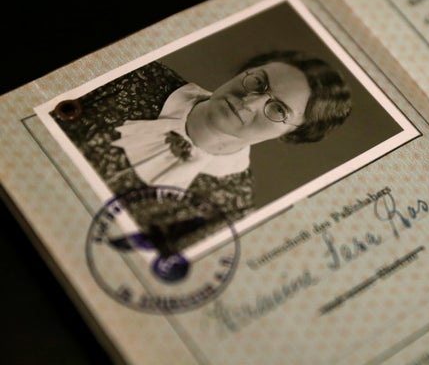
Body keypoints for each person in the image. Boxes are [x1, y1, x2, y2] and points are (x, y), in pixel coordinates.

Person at [53, 50, 352, 254]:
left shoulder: (230, 208)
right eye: (258, 82)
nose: (249, 102)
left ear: (292, 135)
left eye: (277, 110)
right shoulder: (136, 74)